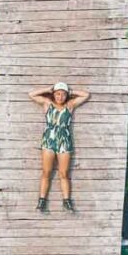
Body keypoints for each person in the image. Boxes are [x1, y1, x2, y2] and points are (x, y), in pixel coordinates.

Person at [27, 81, 90, 212]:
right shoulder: (47, 104)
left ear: (67, 95)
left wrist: (71, 92)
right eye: (57, 94)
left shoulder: (70, 105)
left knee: (64, 173)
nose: (60, 97)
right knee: (46, 172)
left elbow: (86, 95)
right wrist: (48, 89)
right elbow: (31, 94)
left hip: (64, 142)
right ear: (54, 94)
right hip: (49, 141)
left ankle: (66, 201)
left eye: (63, 94)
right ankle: (42, 201)